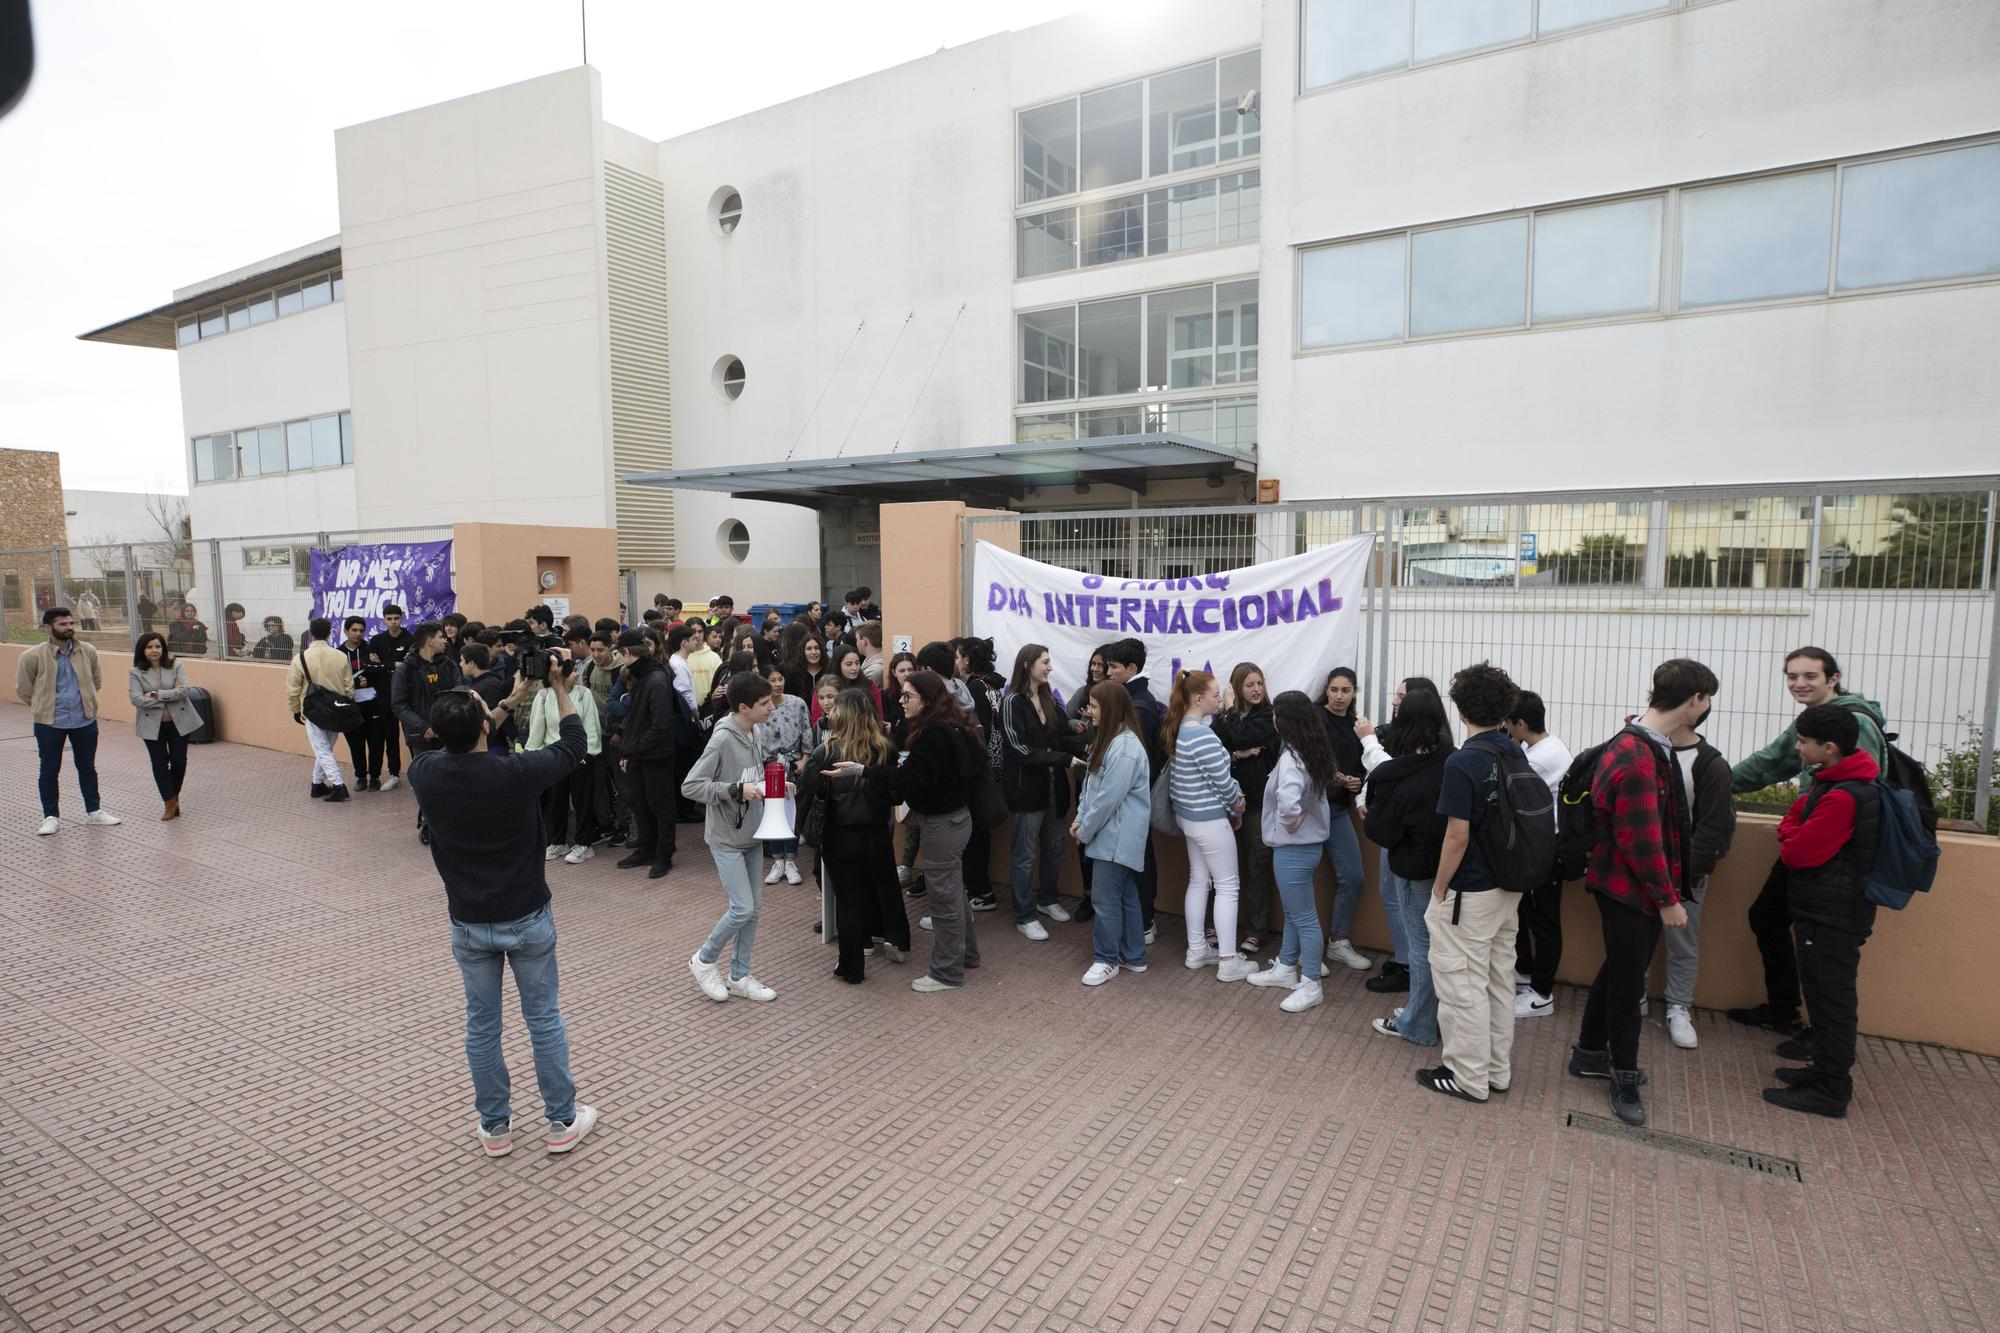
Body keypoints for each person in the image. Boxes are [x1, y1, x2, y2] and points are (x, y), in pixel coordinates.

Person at [409, 661, 598, 1157]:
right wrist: (557, 687)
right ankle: (561, 1121)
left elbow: (459, 735)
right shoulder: (514, 772)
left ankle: (495, 1127)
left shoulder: (424, 773)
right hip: (528, 917)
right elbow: (573, 745)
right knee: (543, 1019)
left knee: (482, 1025)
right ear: (486, 727)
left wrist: (510, 700)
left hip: (469, 924)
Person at [1568, 658, 1714, 1127]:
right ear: (1694, 699)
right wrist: (1669, 900)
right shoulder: (1636, 755)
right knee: (1629, 985)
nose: (1708, 706)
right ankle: (1623, 1074)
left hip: (1628, 886)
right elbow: (1643, 836)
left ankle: (1590, 1053)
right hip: (1630, 889)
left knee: (1619, 969)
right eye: (1707, 698)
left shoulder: (1646, 742)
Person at [1727, 647, 1887, 1037]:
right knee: (1768, 918)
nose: (1799, 683)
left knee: (1822, 954)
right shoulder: (1813, 721)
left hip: (1832, 855)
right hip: (1810, 843)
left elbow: (1857, 793)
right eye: (1792, 676)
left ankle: (1820, 1040)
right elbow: (1770, 762)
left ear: (1832, 679)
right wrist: (1715, 784)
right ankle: (1785, 1011)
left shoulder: (1854, 723)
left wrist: (1802, 832)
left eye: (1810, 676)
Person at [1762, 702, 1883, 1118]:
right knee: (1823, 993)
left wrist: (1790, 831)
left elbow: (1796, 849)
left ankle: (1831, 1088)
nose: (1797, 748)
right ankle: (1823, 1073)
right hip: (1829, 911)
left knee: (1831, 1000)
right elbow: (1795, 821)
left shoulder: (1843, 797)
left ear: (1829, 747)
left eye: (1803, 742)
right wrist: (1793, 827)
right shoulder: (1835, 784)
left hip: (1831, 915)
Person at [831, 670, 982, 993]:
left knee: (944, 901)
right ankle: (967, 955)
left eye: (907, 696)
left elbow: (908, 780)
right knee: (954, 892)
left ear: (926, 700)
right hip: (955, 820)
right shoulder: (952, 726)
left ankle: (946, 972)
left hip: (943, 825)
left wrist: (864, 771)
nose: (901, 702)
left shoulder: (933, 735)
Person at [1417, 662, 1527, 1105]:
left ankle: (1467, 1077)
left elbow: (1456, 835)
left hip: (1470, 891)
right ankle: (1495, 1072)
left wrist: (1440, 888)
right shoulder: (1514, 751)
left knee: (1462, 985)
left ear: (1461, 710)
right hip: (1508, 887)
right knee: (1499, 980)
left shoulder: (1465, 761)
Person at [684, 672, 784, 1003]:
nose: (772, 707)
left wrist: (777, 789)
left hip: (753, 835)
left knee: (753, 909)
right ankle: (703, 959)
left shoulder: (754, 730)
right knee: (742, 908)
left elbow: (752, 779)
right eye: (764, 703)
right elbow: (692, 786)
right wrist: (735, 791)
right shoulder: (722, 739)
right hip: (725, 838)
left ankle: (739, 976)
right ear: (743, 707)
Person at [1362, 689, 1454, 1048]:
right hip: (1446, 867)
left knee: (1420, 949)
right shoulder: (1450, 757)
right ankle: (1427, 1013)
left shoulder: (1402, 776)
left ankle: (1417, 1024)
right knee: (1438, 947)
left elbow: (1380, 830)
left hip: (1414, 870)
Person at [801, 689, 910, 982]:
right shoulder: (885, 747)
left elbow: (810, 786)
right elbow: (895, 793)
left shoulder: (827, 750)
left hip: (840, 833)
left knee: (848, 898)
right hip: (876, 829)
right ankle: (896, 939)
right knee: (886, 884)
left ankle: (851, 967)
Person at [1246, 691, 1337, 1012]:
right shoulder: (1311, 752)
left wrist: (1292, 821)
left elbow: (1288, 802)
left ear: (1284, 721)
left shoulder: (1292, 758)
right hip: (1304, 848)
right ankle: (1286, 967)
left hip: (1293, 849)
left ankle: (1311, 983)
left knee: (1304, 917)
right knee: (1297, 914)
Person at [1163, 669, 1256, 979]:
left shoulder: (1182, 729)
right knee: (1228, 886)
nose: (1221, 699)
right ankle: (1228, 961)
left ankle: (1197, 949)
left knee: (1198, 880)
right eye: (1217, 695)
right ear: (1198, 698)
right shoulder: (1201, 733)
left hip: (1189, 819)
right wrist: (1237, 804)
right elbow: (1222, 780)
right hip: (1210, 821)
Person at [1354, 675, 1442, 994]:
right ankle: (1405, 960)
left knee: (1414, 918)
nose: (1394, 702)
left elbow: (1393, 772)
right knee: (1391, 897)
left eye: (1401, 697)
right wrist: (1364, 799)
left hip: (1411, 844)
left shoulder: (1434, 745)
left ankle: (1409, 971)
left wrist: (1368, 741)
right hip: (1397, 835)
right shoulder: (1401, 735)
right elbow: (1376, 778)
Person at [1663, 704, 1736, 1050]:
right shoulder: (1646, 748)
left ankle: (1678, 1006)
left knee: (1683, 941)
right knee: (1636, 938)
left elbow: (1712, 826)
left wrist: (1690, 876)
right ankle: (1634, 995)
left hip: (1685, 872)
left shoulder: (1710, 764)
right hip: (1642, 865)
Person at [1070, 681, 1153, 987]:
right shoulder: (1112, 741)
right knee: (1127, 896)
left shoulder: (1125, 749)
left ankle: (1107, 959)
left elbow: (1107, 799)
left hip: (1115, 839)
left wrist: (1086, 830)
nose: (1088, 711)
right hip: (1110, 838)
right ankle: (1134, 956)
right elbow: (1091, 789)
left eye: (1093, 705)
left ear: (1111, 709)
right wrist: (1081, 819)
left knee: (1105, 902)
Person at [999, 643, 1082, 940]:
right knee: (1023, 855)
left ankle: (1047, 899)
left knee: (1055, 846)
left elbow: (1061, 735)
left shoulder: (1048, 698)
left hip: (1054, 788)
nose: (1049, 667)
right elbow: (1020, 750)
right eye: (1045, 662)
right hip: (1026, 790)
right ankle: (1025, 915)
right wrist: (1064, 759)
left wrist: (1079, 733)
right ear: (1027, 665)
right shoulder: (1011, 702)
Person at [1504, 690, 1574, 1020]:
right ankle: (1526, 973)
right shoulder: (1547, 747)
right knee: (1528, 913)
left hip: (1546, 848)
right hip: (1541, 845)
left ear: (1520, 723)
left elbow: (1509, 791)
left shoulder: (1539, 758)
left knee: (1544, 921)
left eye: (1508, 723)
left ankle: (1542, 993)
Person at [17, 608, 119, 835]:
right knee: (49, 770)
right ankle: (51, 817)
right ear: (48, 628)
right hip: (50, 722)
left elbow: (96, 681)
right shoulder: (32, 656)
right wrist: (42, 706)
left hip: (84, 720)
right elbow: (24, 690)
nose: (69, 627)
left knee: (87, 767)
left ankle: (94, 812)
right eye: (63, 624)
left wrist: (88, 703)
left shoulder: (88, 651)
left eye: (71, 623)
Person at [1213, 662, 1279, 953]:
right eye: (1249, 684)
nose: (1256, 690)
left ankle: (1256, 929)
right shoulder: (1226, 717)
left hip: (1256, 805)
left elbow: (1243, 736)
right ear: (1237, 687)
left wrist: (1229, 717)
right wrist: (1237, 755)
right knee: (1220, 868)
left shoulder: (1268, 715)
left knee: (1256, 866)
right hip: (1224, 803)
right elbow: (1214, 747)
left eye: (1259, 684)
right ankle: (1215, 925)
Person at [1102, 638, 1162, 942]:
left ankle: (1145, 920)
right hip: (1135, 799)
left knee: (1138, 859)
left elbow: (1138, 761)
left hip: (1134, 800)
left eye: (1113, 667)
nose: (1108, 672)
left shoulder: (1138, 707)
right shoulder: (1132, 700)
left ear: (1131, 668)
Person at [612, 629, 679, 879]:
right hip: (642, 754)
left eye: (620, 654)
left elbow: (661, 725)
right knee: (642, 804)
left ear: (628, 653)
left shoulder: (656, 680)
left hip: (656, 756)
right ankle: (646, 847)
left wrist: (633, 748)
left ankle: (663, 855)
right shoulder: (644, 676)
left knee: (661, 806)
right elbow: (637, 717)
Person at [1318, 668, 1372, 973]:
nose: (1339, 696)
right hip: (1309, 811)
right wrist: (1330, 776)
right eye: (1335, 689)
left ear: (1354, 692)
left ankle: (1338, 941)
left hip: (1338, 811)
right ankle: (1300, 950)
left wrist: (1355, 784)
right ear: (1326, 689)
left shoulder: (1357, 726)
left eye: (1346, 690)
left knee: (1354, 877)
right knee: (1299, 880)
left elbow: (1364, 766)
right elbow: (1304, 757)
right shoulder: (1316, 717)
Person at [527, 652, 601, 864]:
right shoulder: (543, 696)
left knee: (583, 801)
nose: (577, 674)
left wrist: (589, 752)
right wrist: (535, 755)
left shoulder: (584, 694)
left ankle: (584, 844)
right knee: (555, 802)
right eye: (573, 671)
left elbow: (591, 726)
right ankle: (557, 841)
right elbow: (536, 729)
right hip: (553, 757)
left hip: (580, 757)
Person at [392, 622, 461, 842]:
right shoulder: (405, 670)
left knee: (449, 780)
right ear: (429, 640)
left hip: (449, 733)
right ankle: (429, 822)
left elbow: (458, 695)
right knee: (426, 780)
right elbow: (399, 705)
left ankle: (445, 821)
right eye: (441, 636)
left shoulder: (449, 665)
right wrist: (423, 727)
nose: (445, 640)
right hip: (420, 737)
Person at [129, 631, 203, 820]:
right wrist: (171, 693)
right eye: (149, 647)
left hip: (180, 722)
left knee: (179, 761)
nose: (154, 650)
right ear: (142, 650)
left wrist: (154, 695)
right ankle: (169, 802)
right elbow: (136, 699)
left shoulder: (176, 665)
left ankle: (174, 795)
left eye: (158, 646)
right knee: (159, 763)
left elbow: (184, 691)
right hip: (152, 726)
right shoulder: (136, 672)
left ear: (163, 648)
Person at [286, 617, 355, 802]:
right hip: (337, 708)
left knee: (322, 750)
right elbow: (349, 686)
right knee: (325, 748)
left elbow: (293, 688)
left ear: (310, 634)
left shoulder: (300, 658)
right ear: (329, 633)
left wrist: (295, 709)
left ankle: (339, 786)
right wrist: (347, 703)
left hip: (313, 709)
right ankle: (317, 784)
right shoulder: (340, 656)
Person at [757, 664, 813, 885]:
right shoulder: (760, 707)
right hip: (770, 765)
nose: (777, 684)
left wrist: (805, 759)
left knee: (792, 814)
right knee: (772, 813)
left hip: (794, 763)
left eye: (780, 679)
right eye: (772, 680)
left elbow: (807, 731)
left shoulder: (797, 703)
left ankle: (791, 860)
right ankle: (777, 860)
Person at [367, 605, 415, 790]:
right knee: (390, 736)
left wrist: (383, 666)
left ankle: (416, 773)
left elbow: (409, 666)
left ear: (402, 618)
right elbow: (369, 666)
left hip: (406, 696)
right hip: (384, 697)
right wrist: (392, 664)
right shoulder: (377, 640)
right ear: (384, 620)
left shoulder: (410, 640)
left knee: (412, 736)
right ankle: (394, 774)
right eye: (389, 618)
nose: (393, 622)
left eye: (396, 618)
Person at [338, 617, 391, 781]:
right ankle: (360, 776)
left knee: (376, 742)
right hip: (351, 705)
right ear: (346, 631)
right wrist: (354, 682)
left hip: (373, 703)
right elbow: (336, 678)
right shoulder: (338, 653)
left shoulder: (371, 649)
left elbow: (382, 673)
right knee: (356, 744)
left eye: (361, 630)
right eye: (354, 630)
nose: (358, 634)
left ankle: (374, 776)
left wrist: (370, 679)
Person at [458, 642, 512, 752]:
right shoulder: (479, 683)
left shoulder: (492, 685)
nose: (460, 664)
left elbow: (493, 717)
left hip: (493, 746)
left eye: (463, 660)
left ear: (472, 663)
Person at [685, 618, 723, 702]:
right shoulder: (683, 657)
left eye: (700, 631)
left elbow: (721, 682)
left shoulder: (714, 657)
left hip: (709, 707)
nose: (697, 635)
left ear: (704, 633)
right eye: (693, 631)